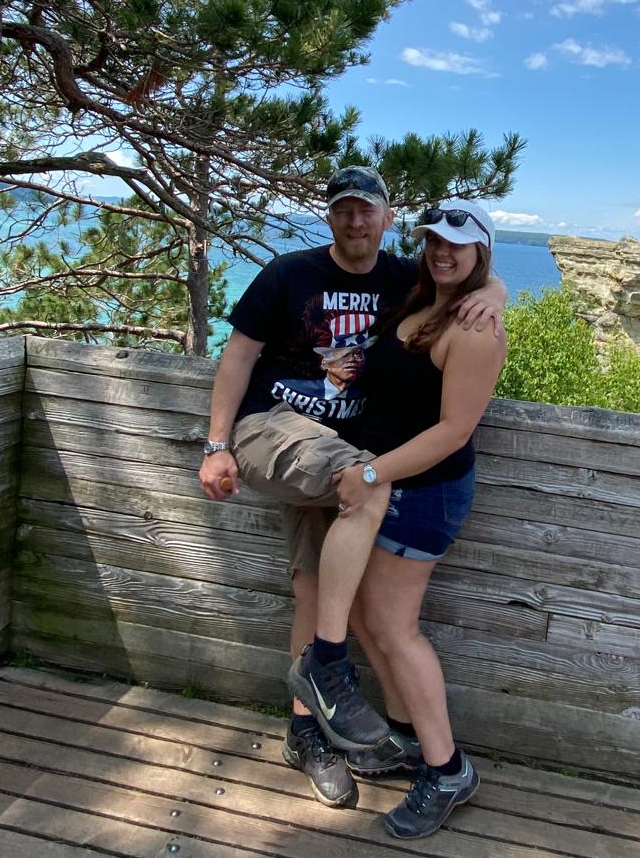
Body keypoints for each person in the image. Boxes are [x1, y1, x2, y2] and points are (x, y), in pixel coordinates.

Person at [197, 166, 504, 810]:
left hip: (354, 453)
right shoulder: (289, 273)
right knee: (367, 492)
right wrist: (218, 444)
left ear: (387, 219)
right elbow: (239, 354)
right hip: (280, 432)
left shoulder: (404, 279)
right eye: (343, 209)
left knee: (318, 583)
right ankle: (328, 669)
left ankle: (309, 730)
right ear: (329, 216)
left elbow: (465, 282)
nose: (355, 221)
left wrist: (496, 289)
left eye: (367, 210)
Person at [294, 201, 506, 838]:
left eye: (459, 246)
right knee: (364, 615)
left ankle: (447, 770)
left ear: (481, 254)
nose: (443, 252)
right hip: (390, 483)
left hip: (422, 491)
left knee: (392, 625)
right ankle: (411, 742)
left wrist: (370, 474)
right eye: (435, 240)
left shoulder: (475, 329)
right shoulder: (423, 297)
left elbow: (452, 431)